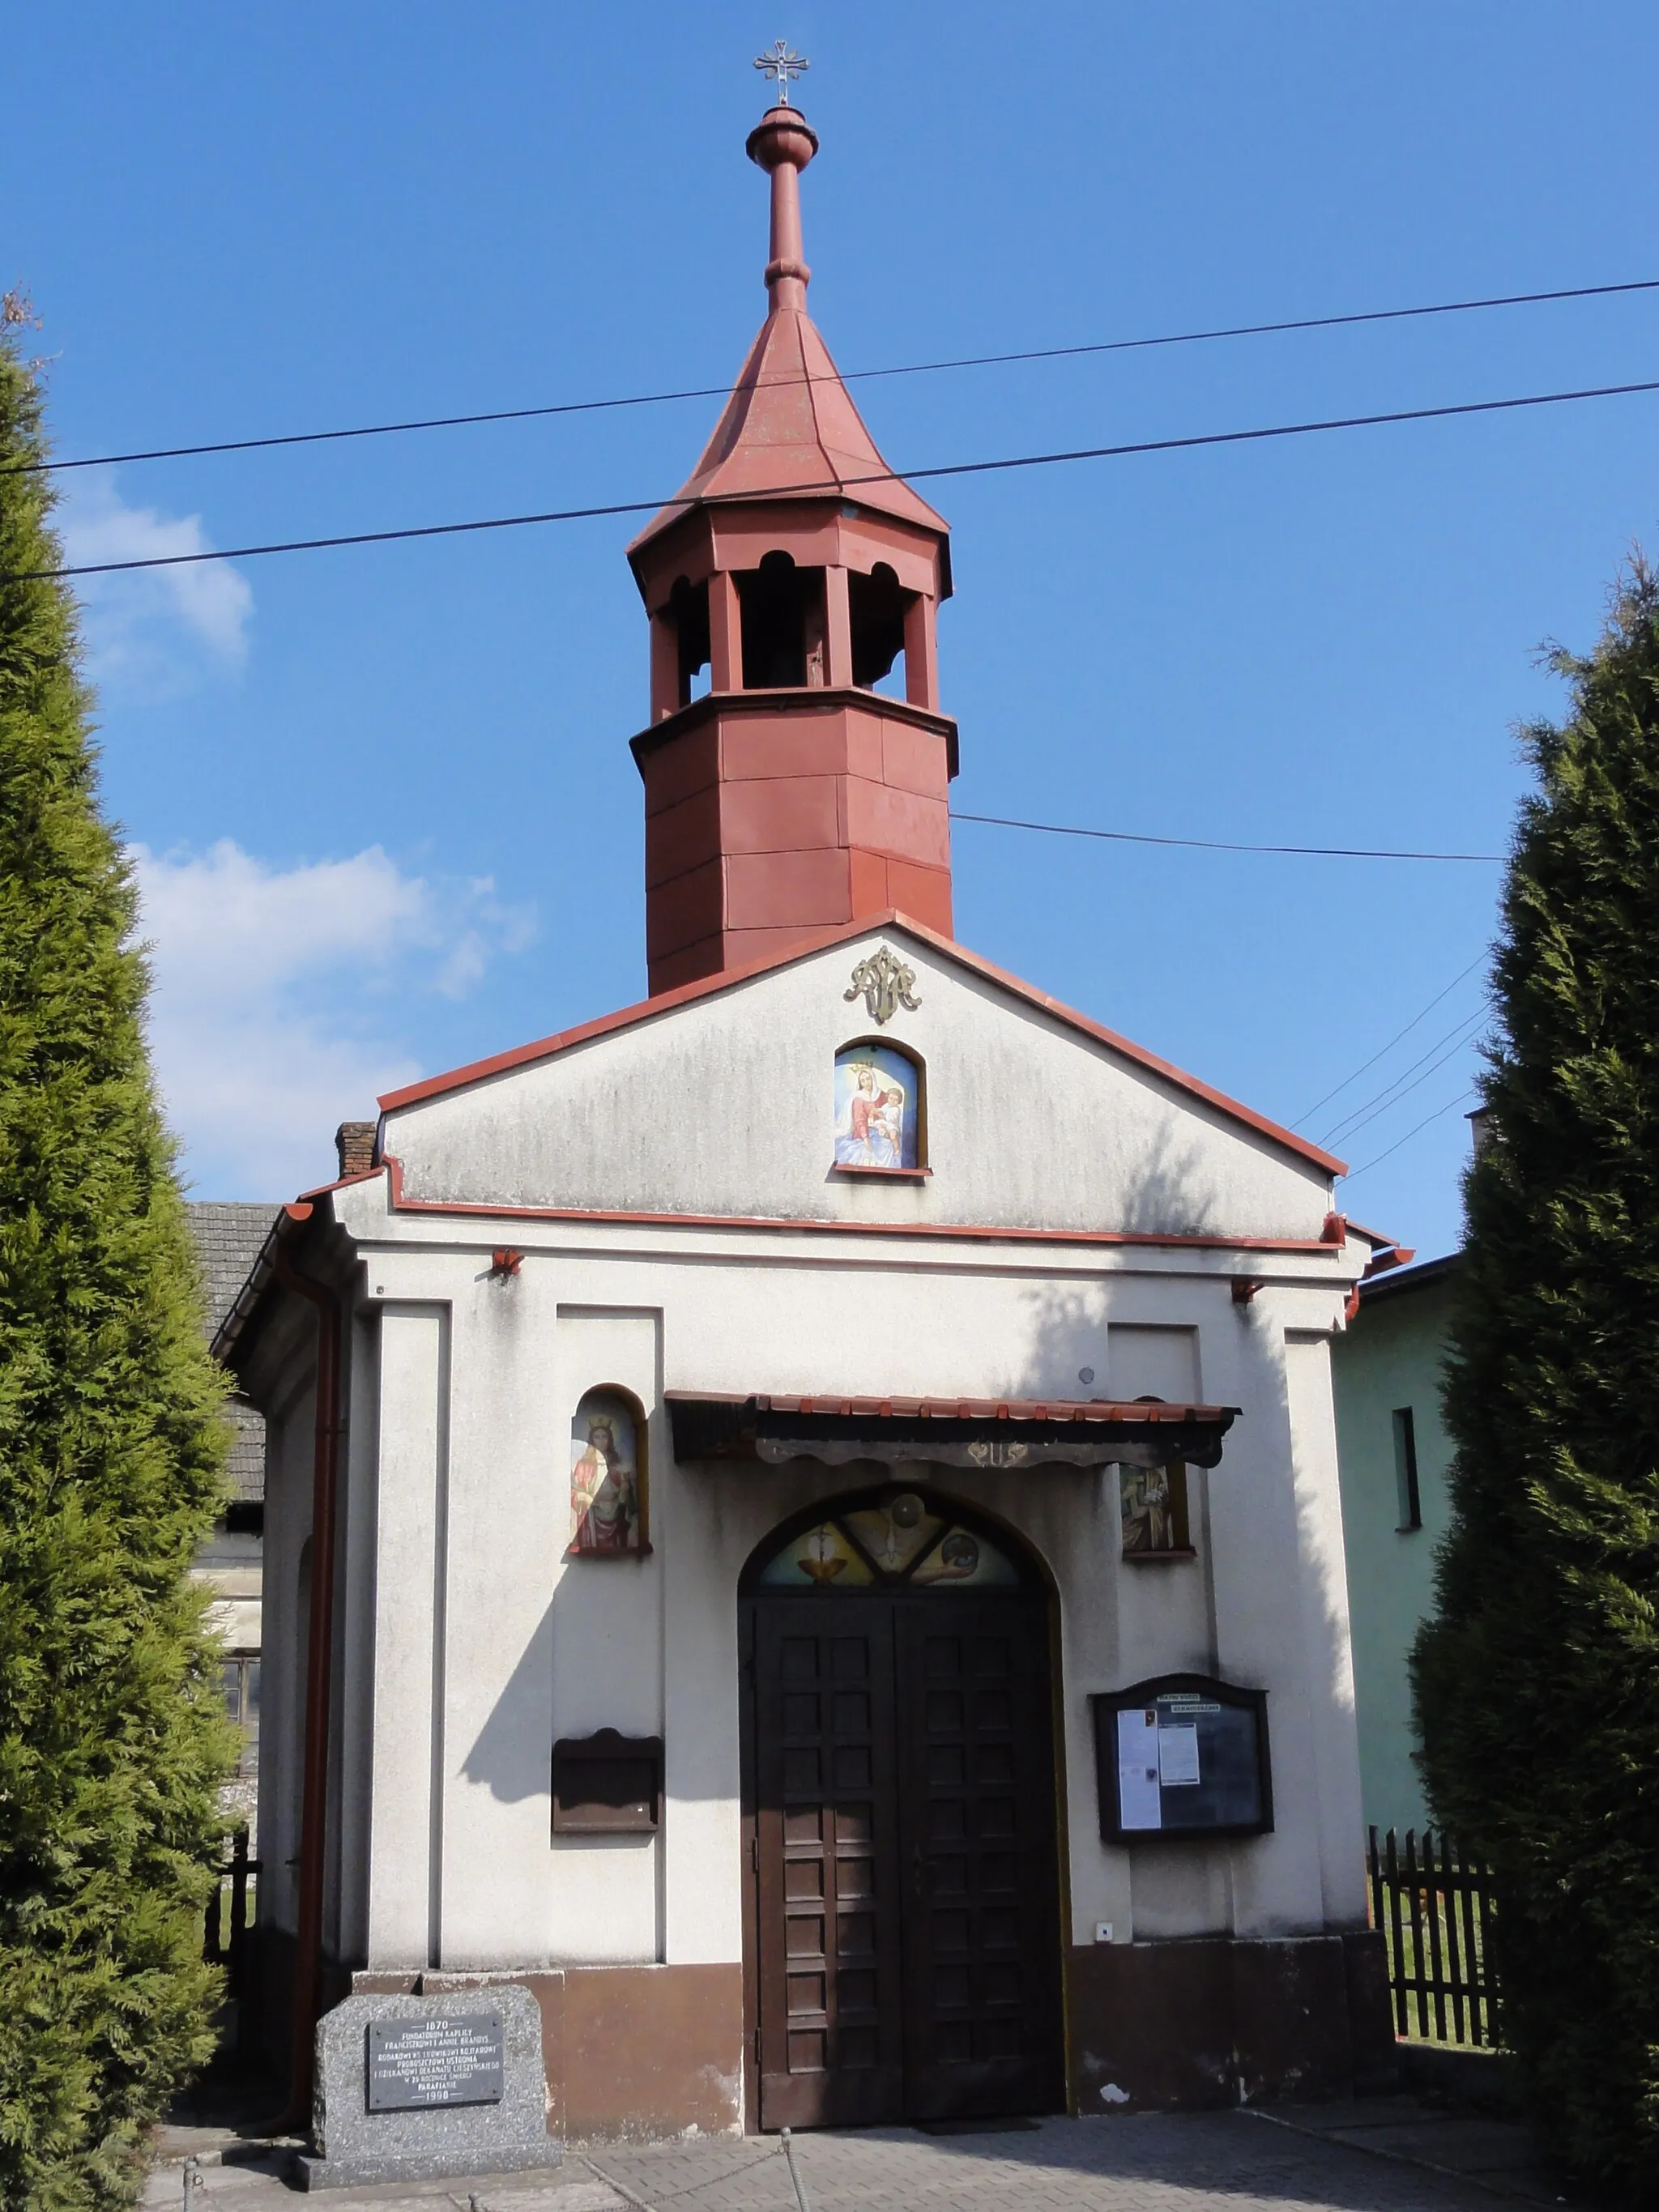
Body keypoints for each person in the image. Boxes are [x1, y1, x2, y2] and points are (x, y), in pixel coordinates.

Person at [570, 1414, 638, 1552]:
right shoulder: (584, 1465)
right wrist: (586, 1498)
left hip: (615, 1515)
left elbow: (627, 1498)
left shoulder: (617, 1465)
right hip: (592, 1517)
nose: (601, 1441)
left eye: (604, 1437)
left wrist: (624, 1490)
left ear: (610, 1440)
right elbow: (574, 1491)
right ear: (591, 1440)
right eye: (597, 1437)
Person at [835, 1063, 901, 1166]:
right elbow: (859, 1120)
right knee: (865, 1152)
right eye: (863, 1080)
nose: (866, 1083)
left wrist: (886, 1129)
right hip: (863, 1133)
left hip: (882, 1131)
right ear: (859, 1083)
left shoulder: (883, 1095)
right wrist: (866, 1139)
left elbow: (890, 1115)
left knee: (888, 1145)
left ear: (873, 1078)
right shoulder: (859, 1098)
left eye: (868, 1079)